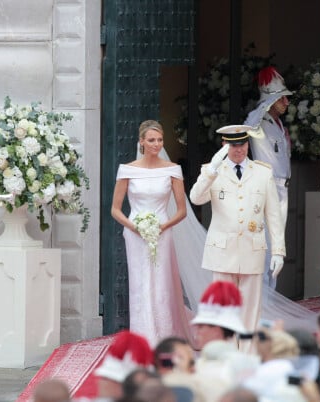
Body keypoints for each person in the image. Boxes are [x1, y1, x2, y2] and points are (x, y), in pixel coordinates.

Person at [189, 125, 286, 334]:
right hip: (223, 251)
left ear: (248, 145)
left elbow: (274, 215)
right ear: (224, 145)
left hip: (252, 248)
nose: (238, 149)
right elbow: (196, 198)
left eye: (242, 144)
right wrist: (212, 170)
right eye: (233, 145)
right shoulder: (213, 171)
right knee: (224, 308)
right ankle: (228, 354)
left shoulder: (263, 172)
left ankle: (248, 355)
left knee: (251, 310)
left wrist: (278, 251)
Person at [111, 120, 193, 346]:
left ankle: (164, 336)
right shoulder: (127, 170)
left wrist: (162, 227)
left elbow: (182, 211)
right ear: (142, 142)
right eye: (151, 140)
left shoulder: (172, 170)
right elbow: (115, 209)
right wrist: (134, 227)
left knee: (160, 282)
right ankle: (142, 338)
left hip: (162, 232)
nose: (156, 144)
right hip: (135, 234)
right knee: (139, 283)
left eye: (159, 140)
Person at [244, 66, 293, 226]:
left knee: (278, 238)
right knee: (266, 237)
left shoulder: (278, 123)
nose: (287, 102)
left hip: (282, 186)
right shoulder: (260, 120)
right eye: (281, 98)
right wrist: (267, 101)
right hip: (267, 185)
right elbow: (249, 127)